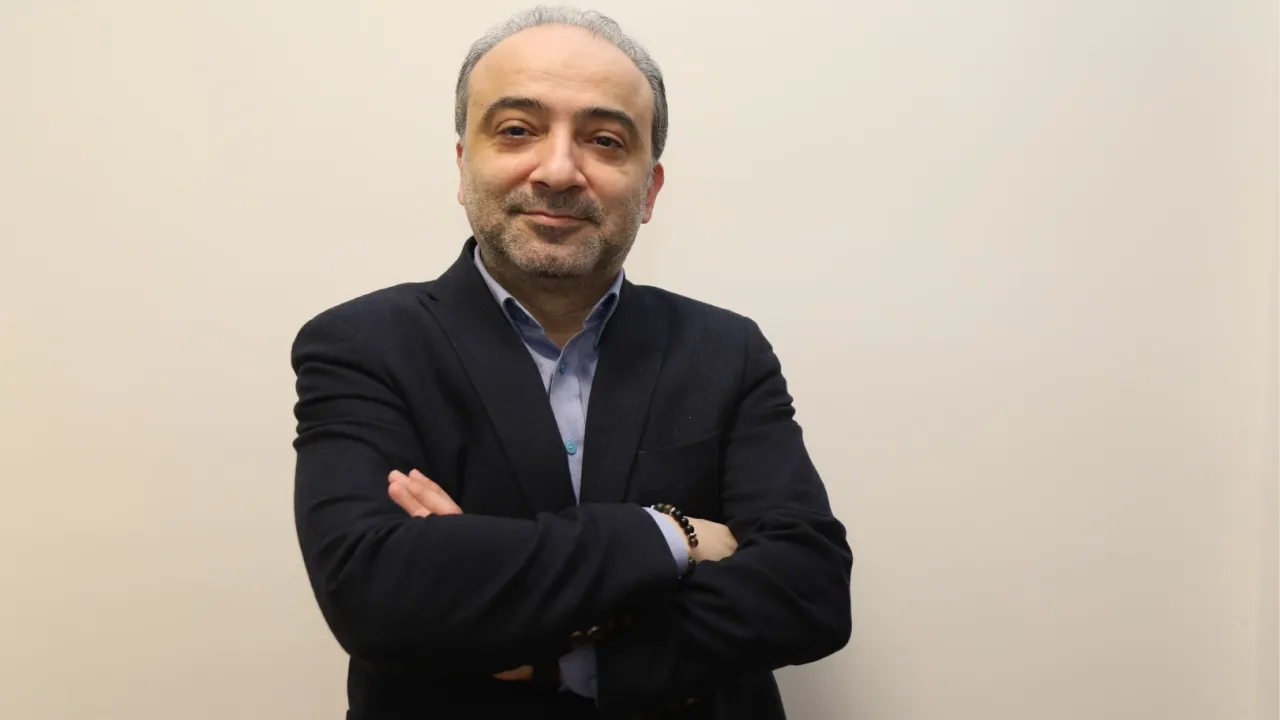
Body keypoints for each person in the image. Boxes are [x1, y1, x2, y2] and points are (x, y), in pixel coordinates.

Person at [290, 6, 852, 718]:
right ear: (463, 167)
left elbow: (809, 592)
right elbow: (377, 595)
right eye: (516, 130)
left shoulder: (727, 349)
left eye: (605, 140)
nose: (558, 170)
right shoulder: (361, 345)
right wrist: (673, 535)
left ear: (649, 191)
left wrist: (567, 658)